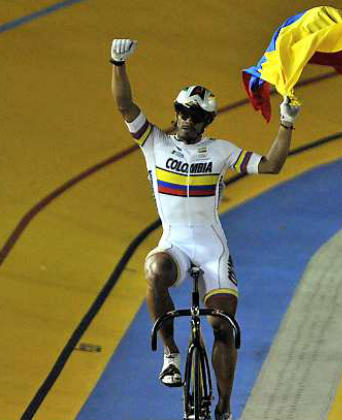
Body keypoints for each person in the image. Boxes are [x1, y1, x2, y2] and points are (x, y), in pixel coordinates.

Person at [110, 38, 300, 420]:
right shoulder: (154, 143)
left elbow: (272, 165)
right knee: (154, 271)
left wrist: (286, 123)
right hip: (176, 245)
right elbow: (125, 105)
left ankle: (225, 406)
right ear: (176, 112)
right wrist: (118, 63)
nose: (188, 120)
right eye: (183, 112)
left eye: (196, 117)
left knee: (221, 325)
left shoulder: (221, 150)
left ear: (206, 122)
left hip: (213, 251)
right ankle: (171, 354)